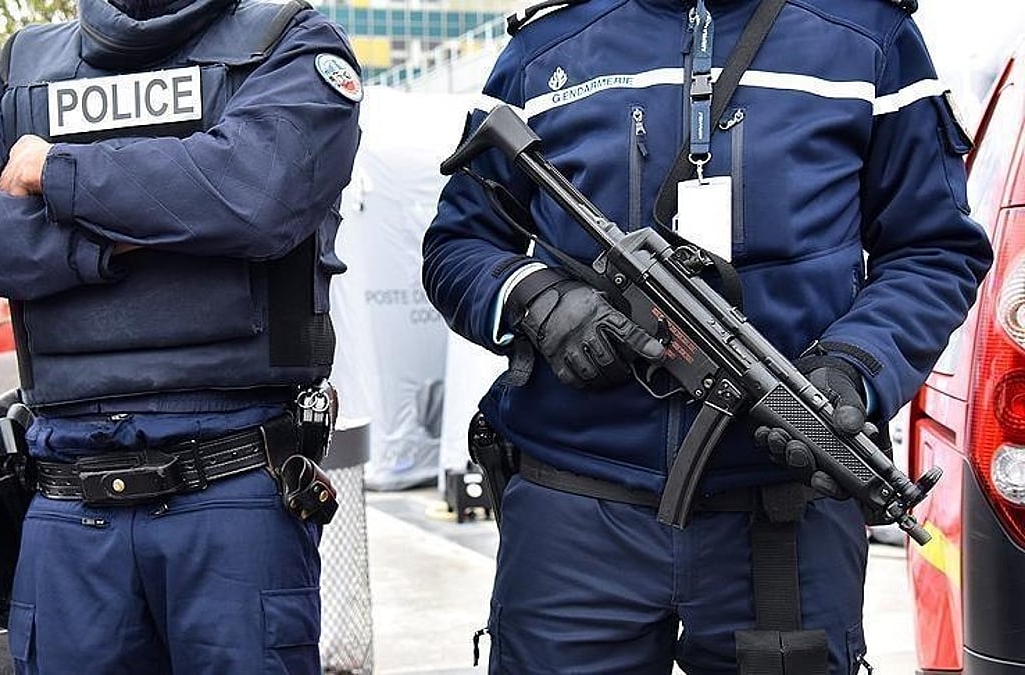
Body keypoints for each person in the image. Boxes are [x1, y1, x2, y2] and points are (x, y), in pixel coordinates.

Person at [423, 0, 992, 673]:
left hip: (784, 515)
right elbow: (459, 244)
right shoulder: (549, 44)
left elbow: (933, 249)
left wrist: (853, 369)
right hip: (573, 512)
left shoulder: (869, 37)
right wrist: (537, 299)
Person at [0, 0, 361, 672]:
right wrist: (116, 241)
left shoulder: (288, 41)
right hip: (74, 499)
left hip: (232, 491)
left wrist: (58, 171)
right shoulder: (14, 70)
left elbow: (256, 195)